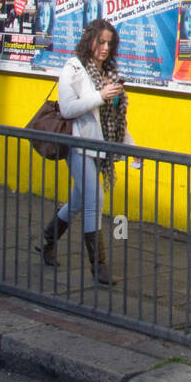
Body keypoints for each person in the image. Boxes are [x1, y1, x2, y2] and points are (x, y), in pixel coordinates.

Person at [38, 18, 137, 284]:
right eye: (100, 41)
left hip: (101, 149)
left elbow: (116, 120)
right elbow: (68, 108)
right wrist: (100, 95)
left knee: (80, 201)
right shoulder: (74, 68)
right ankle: (99, 267)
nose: (105, 48)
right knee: (96, 198)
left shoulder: (109, 74)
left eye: (109, 43)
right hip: (79, 145)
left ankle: (47, 239)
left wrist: (132, 149)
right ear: (89, 40)